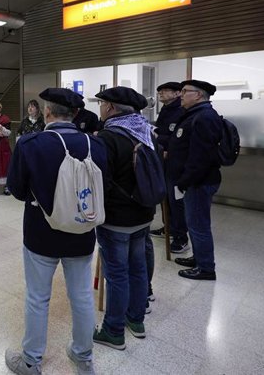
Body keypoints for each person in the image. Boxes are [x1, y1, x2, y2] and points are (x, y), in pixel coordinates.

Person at [5, 88, 107, 375]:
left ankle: (31, 361)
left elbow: (16, 188)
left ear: (47, 112)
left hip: (41, 233)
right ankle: (83, 357)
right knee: (82, 296)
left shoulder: (30, 144)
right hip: (82, 232)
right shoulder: (95, 145)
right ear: (75, 114)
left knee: (38, 298)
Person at [93, 86, 157, 350]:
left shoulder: (108, 137)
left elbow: (99, 178)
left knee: (117, 274)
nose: (100, 108)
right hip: (144, 213)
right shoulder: (147, 131)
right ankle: (136, 321)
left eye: (101, 104)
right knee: (138, 267)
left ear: (111, 107)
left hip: (117, 218)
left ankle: (113, 331)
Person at [167, 80, 223, 281]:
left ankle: (206, 268)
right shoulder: (194, 115)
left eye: (185, 91)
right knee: (194, 223)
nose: (180, 95)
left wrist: (184, 181)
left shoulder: (204, 117)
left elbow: (201, 157)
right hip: (194, 180)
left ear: (198, 95)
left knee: (199, 225)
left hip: (198, 182)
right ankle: (199, 258)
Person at [148, 82, 186, 302]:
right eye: (159, 91)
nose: (160, 94)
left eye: (164, 91)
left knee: (175, 198)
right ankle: (168, 227)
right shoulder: (166, 110)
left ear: (177, 93)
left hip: (175, 163)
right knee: (167, 197)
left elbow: (174, 137)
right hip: (164, 161)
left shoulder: (180, 111)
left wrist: (161, 141)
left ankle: (180, 236)